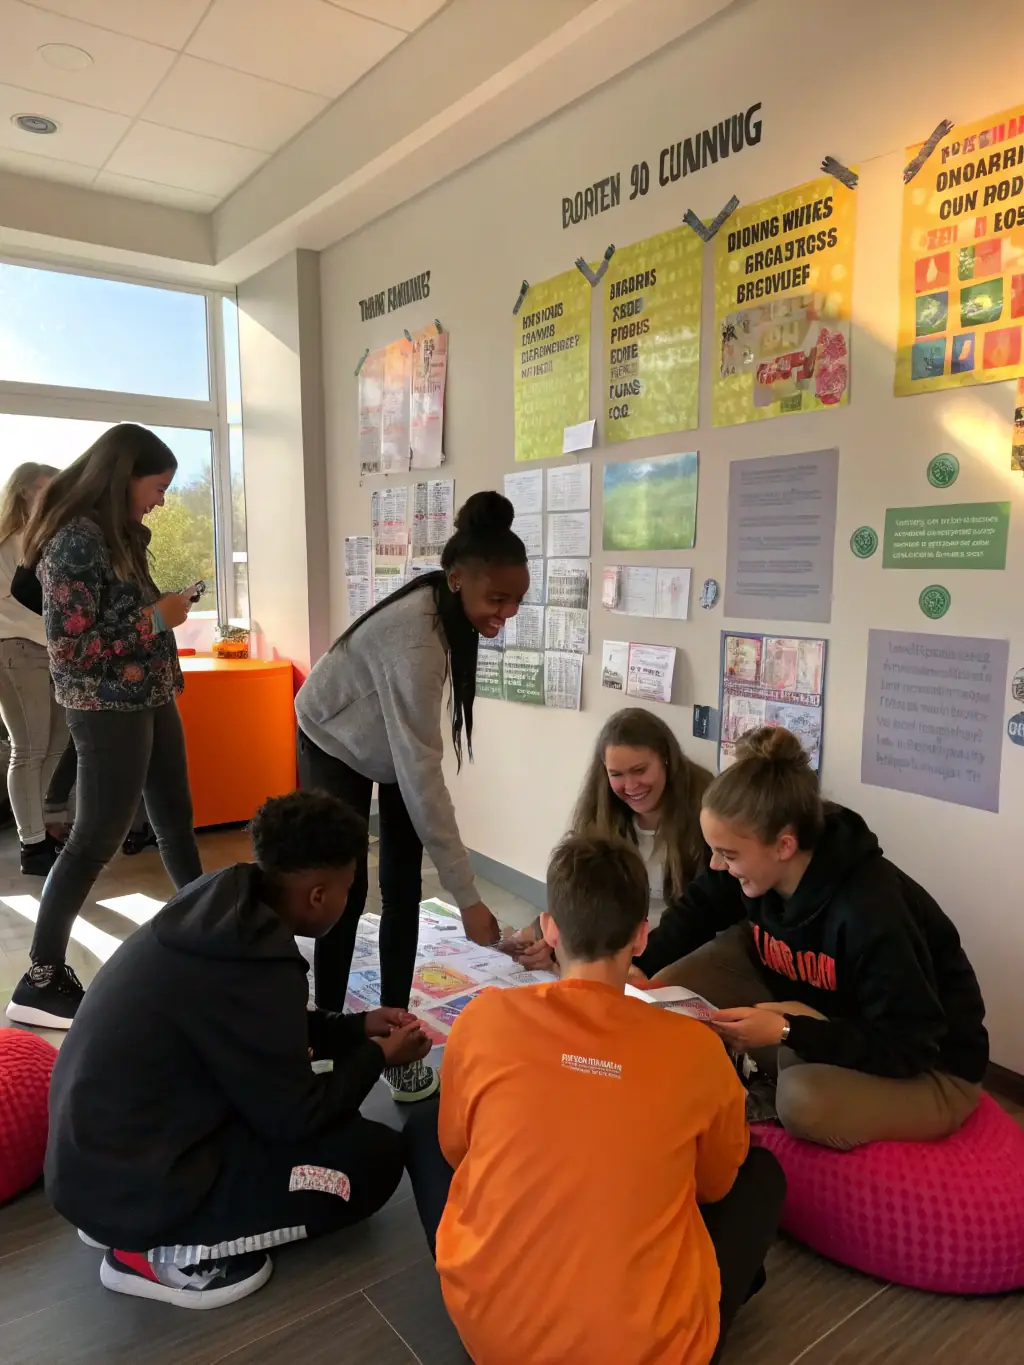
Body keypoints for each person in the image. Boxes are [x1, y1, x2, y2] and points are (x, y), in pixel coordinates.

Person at [403, 832, 786, 1365]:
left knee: (422, 1128)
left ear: (550, 927)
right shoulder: (698, 1049)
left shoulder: (484, 1018)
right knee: (761, 1173)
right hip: (651, 1351)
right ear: (640, 938)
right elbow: (713, 1186)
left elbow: (454, 1151)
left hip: (495, 1338)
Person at [46, 790, 430, 1310]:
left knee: (348, 1131)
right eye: (346, 889)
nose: (347, 899)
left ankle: (125, 1220)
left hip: (97, 1162)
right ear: (318, 895)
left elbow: (261, 1030)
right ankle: (150, 1253)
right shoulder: (258, 968)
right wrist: (380, 1057)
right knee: (372, 1163)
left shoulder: (221, 904)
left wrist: (357, 1027)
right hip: (141, 1184)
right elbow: (298, 1117)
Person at [635, 726, 989, 1150]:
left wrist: (789, 1030)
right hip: (823, 1012)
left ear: (784, 846)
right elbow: (698, 909)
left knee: (803, 1102)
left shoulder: (870, 912)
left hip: (929, 1068)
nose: (715, 864)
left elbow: (910, 1045)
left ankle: (774, 1072)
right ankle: (771, 1057)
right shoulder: (752, 851)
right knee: (665, 992)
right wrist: (640, 963)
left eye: (727, 855)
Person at [296, 490, 529, 1100]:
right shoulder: (416, 643)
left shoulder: (447, 612)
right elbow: (422, 776)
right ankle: (330, 1032)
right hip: (332, 734)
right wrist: (471, 900)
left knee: (402, 886)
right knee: (345, 889)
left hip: (385, 739)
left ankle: (396, 1035)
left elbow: (412, 762)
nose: (505, 613)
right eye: (496, 599)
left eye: (515, 601)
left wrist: (458, 891)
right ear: (456, 581)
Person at [5, 424, 202, 1030]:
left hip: (149, 694)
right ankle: (40, 977)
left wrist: (156, 616)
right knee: (95, 839)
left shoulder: (117, 535)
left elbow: (115, 618)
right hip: (106, 705)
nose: (163, 500)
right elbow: (73, 649)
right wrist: (157, 619)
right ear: (124, 475)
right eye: (159, 485)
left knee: (174, 819)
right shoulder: (73, 541)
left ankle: (205, 930)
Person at [511, 707, 712, 968]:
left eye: (639, 770)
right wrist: (546, 941)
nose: (630, 786)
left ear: (666, 759)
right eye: (616, 775)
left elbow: (701, 917)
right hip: (614, 944)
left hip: (678, 948)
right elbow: (580, 892)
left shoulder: (704, 807)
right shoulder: (599, 812)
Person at [0, 462, 69, 875]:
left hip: (50, 651)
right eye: (46, 489)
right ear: (23, 492)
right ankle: (33, 846)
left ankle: (40, 831)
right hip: (16, 650)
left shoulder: (47, 540)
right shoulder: (11, 543)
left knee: (56, 745)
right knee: (28, 749)